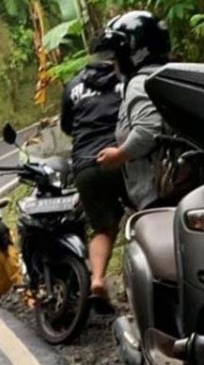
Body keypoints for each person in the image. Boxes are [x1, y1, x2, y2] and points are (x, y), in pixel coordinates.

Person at [60, 39, 127, 310]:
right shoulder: (126, 79)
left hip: (86, 164)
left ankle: (97, 279)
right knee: (141, 211)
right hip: (120, 156)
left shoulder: (73, 85)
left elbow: (67, 126)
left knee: (102, 227)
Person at [94, 10, 172, 211]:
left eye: (117, 55)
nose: (115, 62)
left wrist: (118, 155)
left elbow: (148, 131)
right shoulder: (166, 75)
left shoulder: (139, 83)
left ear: (134, 51)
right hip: (173, 188)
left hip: (157, 194)